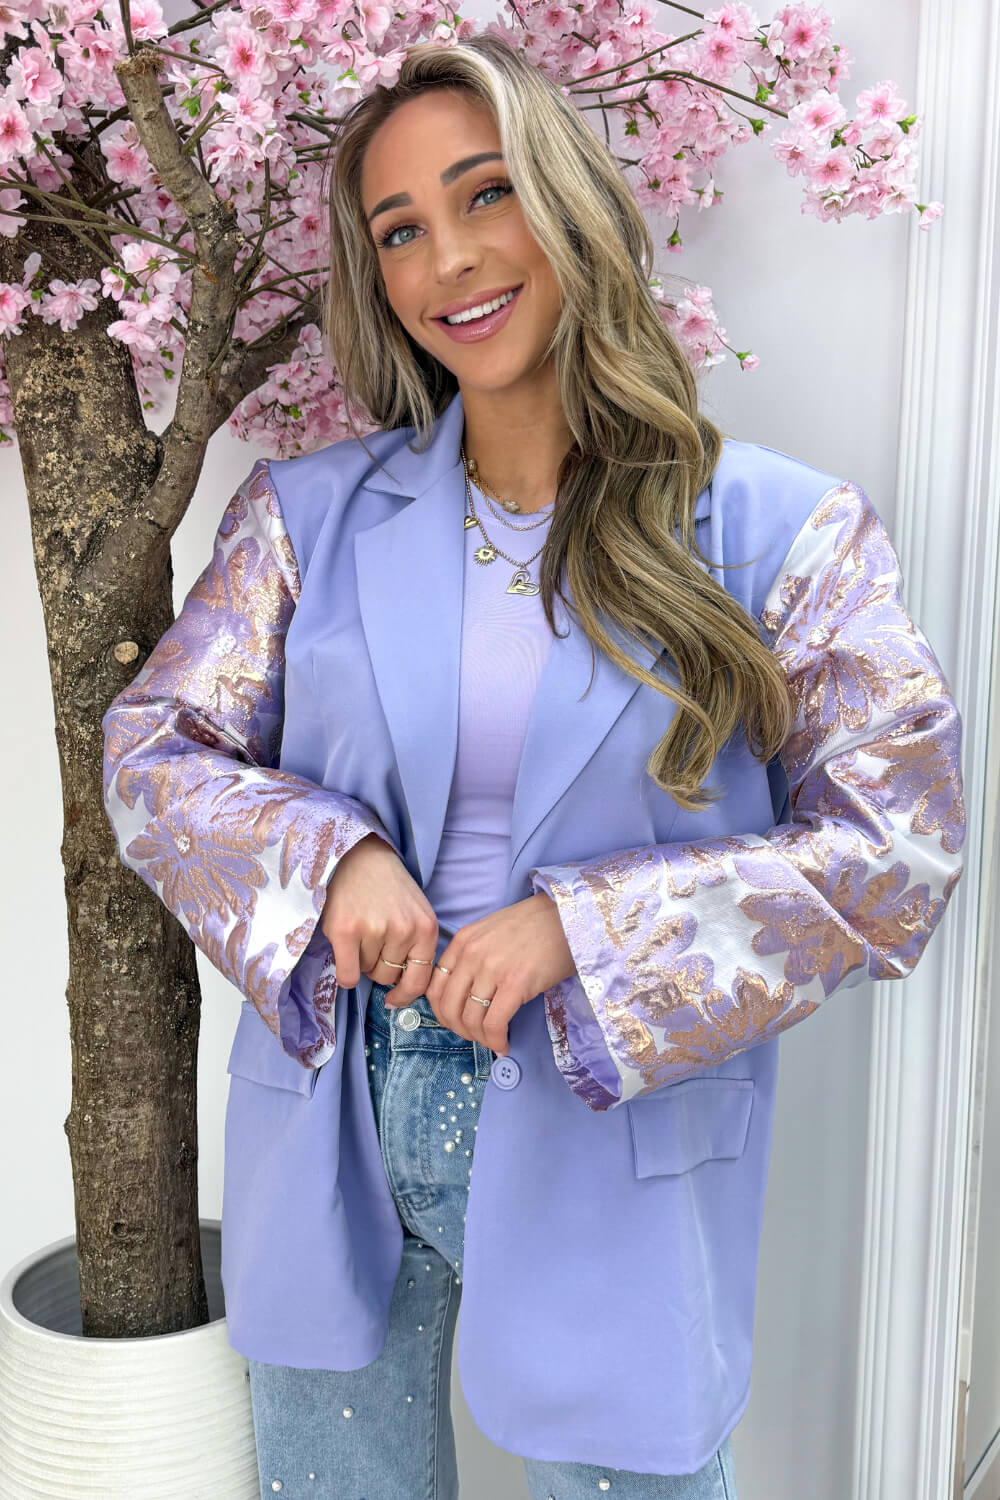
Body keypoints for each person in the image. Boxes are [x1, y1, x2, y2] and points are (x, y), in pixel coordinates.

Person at [100, 33, 966, 1500]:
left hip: (602, 1107)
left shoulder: (784, 534)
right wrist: (330, 860)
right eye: (399, 230)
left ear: (569, 202)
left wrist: (586, 929)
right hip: (336, 1097)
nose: (448, 258)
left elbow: (901, 847)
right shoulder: (305, 518)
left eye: (484, 193)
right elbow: (154, 751)